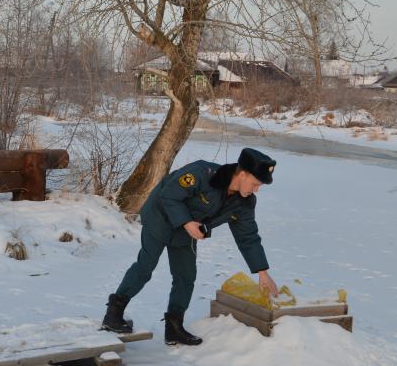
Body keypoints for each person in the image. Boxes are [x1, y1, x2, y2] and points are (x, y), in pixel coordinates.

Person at [101, 148, 279, 345]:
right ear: (242, 173)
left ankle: (174, 328)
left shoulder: (244, 202)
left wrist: (262, 271)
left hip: (187, 230)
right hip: (160, 217)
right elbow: (168, 195)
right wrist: (187, 223)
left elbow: (248, 237)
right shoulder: (202, 174)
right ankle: (114, 314)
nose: (256, 190)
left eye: (260, 186)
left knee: (185, 277)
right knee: (146, 266)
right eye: (255, 183)